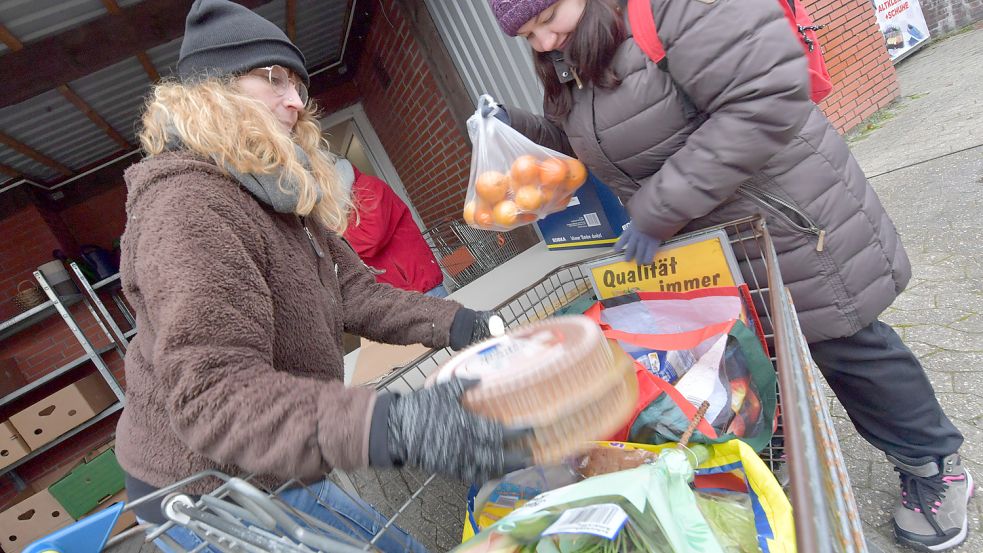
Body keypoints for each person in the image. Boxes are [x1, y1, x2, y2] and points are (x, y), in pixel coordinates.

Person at [484, 0, 972, 550]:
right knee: (752, 359)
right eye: (528, 36)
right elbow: (597, 138)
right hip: (709, 243)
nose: (544, 43)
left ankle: (933, 465)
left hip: (781, 212)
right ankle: (772, 460)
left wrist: (656, 209)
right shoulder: (574, 58)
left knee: (846, 343)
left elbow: (764, 99)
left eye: (547, 21)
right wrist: (514, 127)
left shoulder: (673, 10)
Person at [114, 1, 524, 551]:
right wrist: (400, 426)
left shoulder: (273, 194)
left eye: (298, 84)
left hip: (275, 467)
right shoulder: (189, 208)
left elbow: (353, 291)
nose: (295, 101)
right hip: (214, 497)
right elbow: (214, 396)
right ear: (212, 91)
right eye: (273, 77)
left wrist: (459, 323)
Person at [337, 158, 449, 297]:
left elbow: (370, 238)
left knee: (446, 318)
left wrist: (335, 239)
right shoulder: (345, 209)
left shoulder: (369, 188)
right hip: (399, 295)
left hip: (419, 287)